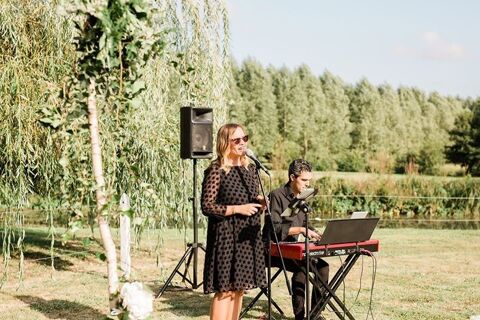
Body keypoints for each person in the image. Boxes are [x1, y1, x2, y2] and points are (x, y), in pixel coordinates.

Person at [201, 123, 267, 320]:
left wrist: (260, 202)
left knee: (239, 289)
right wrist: (238, 209)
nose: (242, 143)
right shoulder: (216, 170)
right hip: (226, 237)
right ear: (225, 143)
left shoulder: (251, 168)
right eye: (236, 140)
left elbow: (251, 197)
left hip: (246, 238)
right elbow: (207, 206)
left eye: (244, 138)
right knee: (225, 290)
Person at [263, 159, 329, 320]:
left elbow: (305, 223)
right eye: (304, 180)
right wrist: (301, 230)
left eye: (309, 181)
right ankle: (300, 316)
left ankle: (315, 314)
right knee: (303, 268)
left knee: (323, 267)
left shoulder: (302, 196)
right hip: (272, 249)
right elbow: (275, 229)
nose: (307, 184)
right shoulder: (276, 195)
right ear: (292, 177)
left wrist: (315, 232)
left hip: (291, 248)